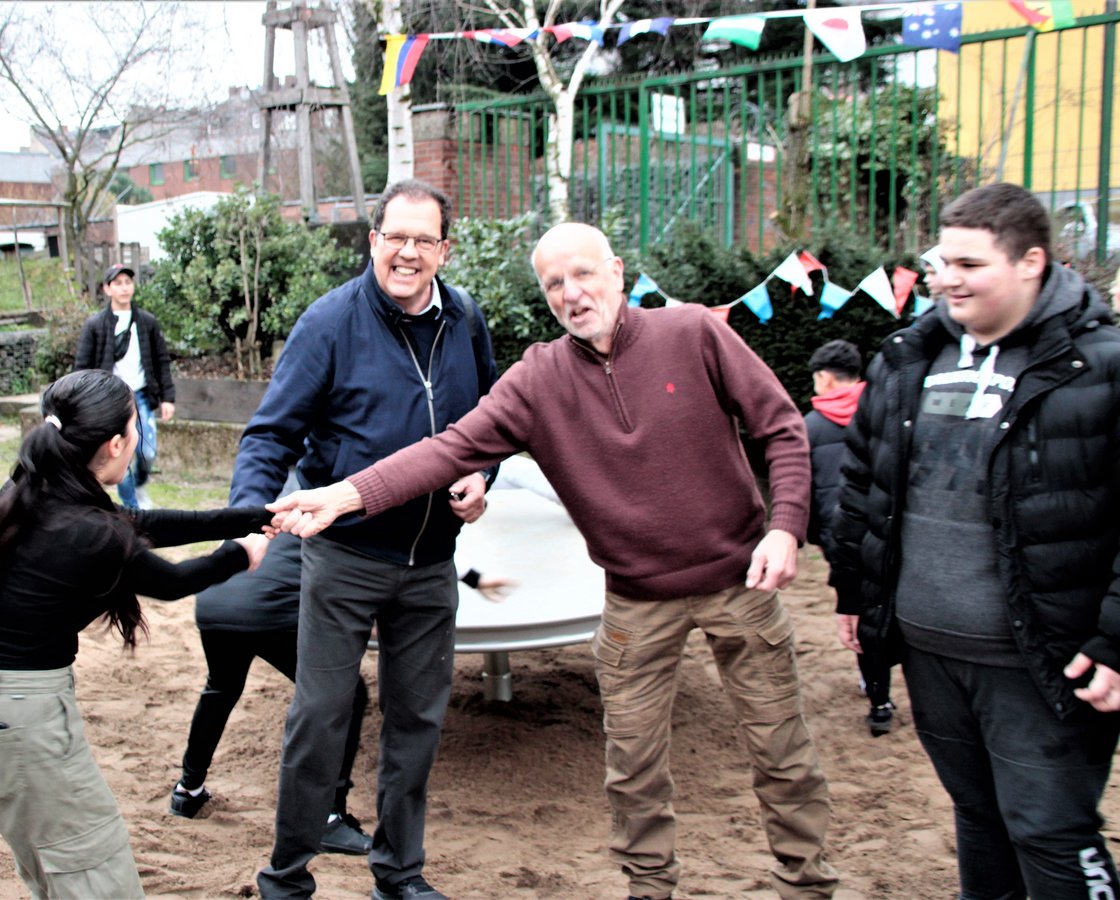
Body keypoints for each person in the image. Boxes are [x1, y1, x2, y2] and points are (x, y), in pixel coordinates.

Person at [268, 223, 840, 900]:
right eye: (554, 284)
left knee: (782, 749)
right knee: (632, 767)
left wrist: (785, 527)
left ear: (618, 272)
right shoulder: (539, 379)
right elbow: (447, 449)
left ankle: (806, 885)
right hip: (634, 599)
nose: (572, 294)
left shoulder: (693, 333)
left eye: (584, 274)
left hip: (739, 580)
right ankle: (649, 889)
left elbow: (781, 426)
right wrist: (346, 494)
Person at [827, 182, 1120, 898]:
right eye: (941, 262)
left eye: (970, 264)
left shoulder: (1099, 362)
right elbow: (864, 481)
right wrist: (854, 592)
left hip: (1044, 659)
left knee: (1049, 830)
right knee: (978, 818)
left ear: (1031, 263)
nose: (947, 279)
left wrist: (1115, 640)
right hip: (930, 650)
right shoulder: (908, 357)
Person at [232, 179, 497, 900]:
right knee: (320, 716)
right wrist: (247, 523)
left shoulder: (467, 320)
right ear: (373, 240)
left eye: (423, 240)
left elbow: (491, 424)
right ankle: (285, 878)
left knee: (417, 723)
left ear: (444, 249)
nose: (407, 253)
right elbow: (271, 434)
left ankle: (399, 873)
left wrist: (483, 476)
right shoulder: (329, 323)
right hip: (345, 556)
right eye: (394, 237)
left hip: (431, 562)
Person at [0, 369, 272, 899]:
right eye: (136, 427)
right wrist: (240, 554)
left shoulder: (35, 486)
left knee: (58, 877)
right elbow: (170, 582)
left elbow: (140, 524)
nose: (140, 437)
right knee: (101, 877)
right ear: (117, 443)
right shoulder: (85, 529)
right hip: (23, 729)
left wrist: (254, 517)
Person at [168, 519, 513, 843]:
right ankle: (330, 815)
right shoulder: (339, 499)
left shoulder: (276, 495)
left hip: (216, 602)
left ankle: (188, 789)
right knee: (348, 696)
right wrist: (475, 578)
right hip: (273, 609)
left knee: (221, 689)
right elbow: (401, 544)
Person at [803, 339, 894, 736]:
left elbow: (803, 489)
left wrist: (816, 538)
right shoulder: (885, 413)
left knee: (859, 614)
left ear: (823, 377)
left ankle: (879, 701)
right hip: (890, 530)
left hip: (841, 537)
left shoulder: (809, 426)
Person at [75, 263, 176, 510]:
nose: (124, 288)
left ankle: (139, 486)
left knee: (147, 452)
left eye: (128, 282)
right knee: (122, 456)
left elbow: (162, 360)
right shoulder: (95, 325)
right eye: (117, 283)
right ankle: (132, 509)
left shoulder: (147, 322)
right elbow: (82, 366)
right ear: (107, 289)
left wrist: (167, 397)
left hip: (141, 396)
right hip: (112, 400)